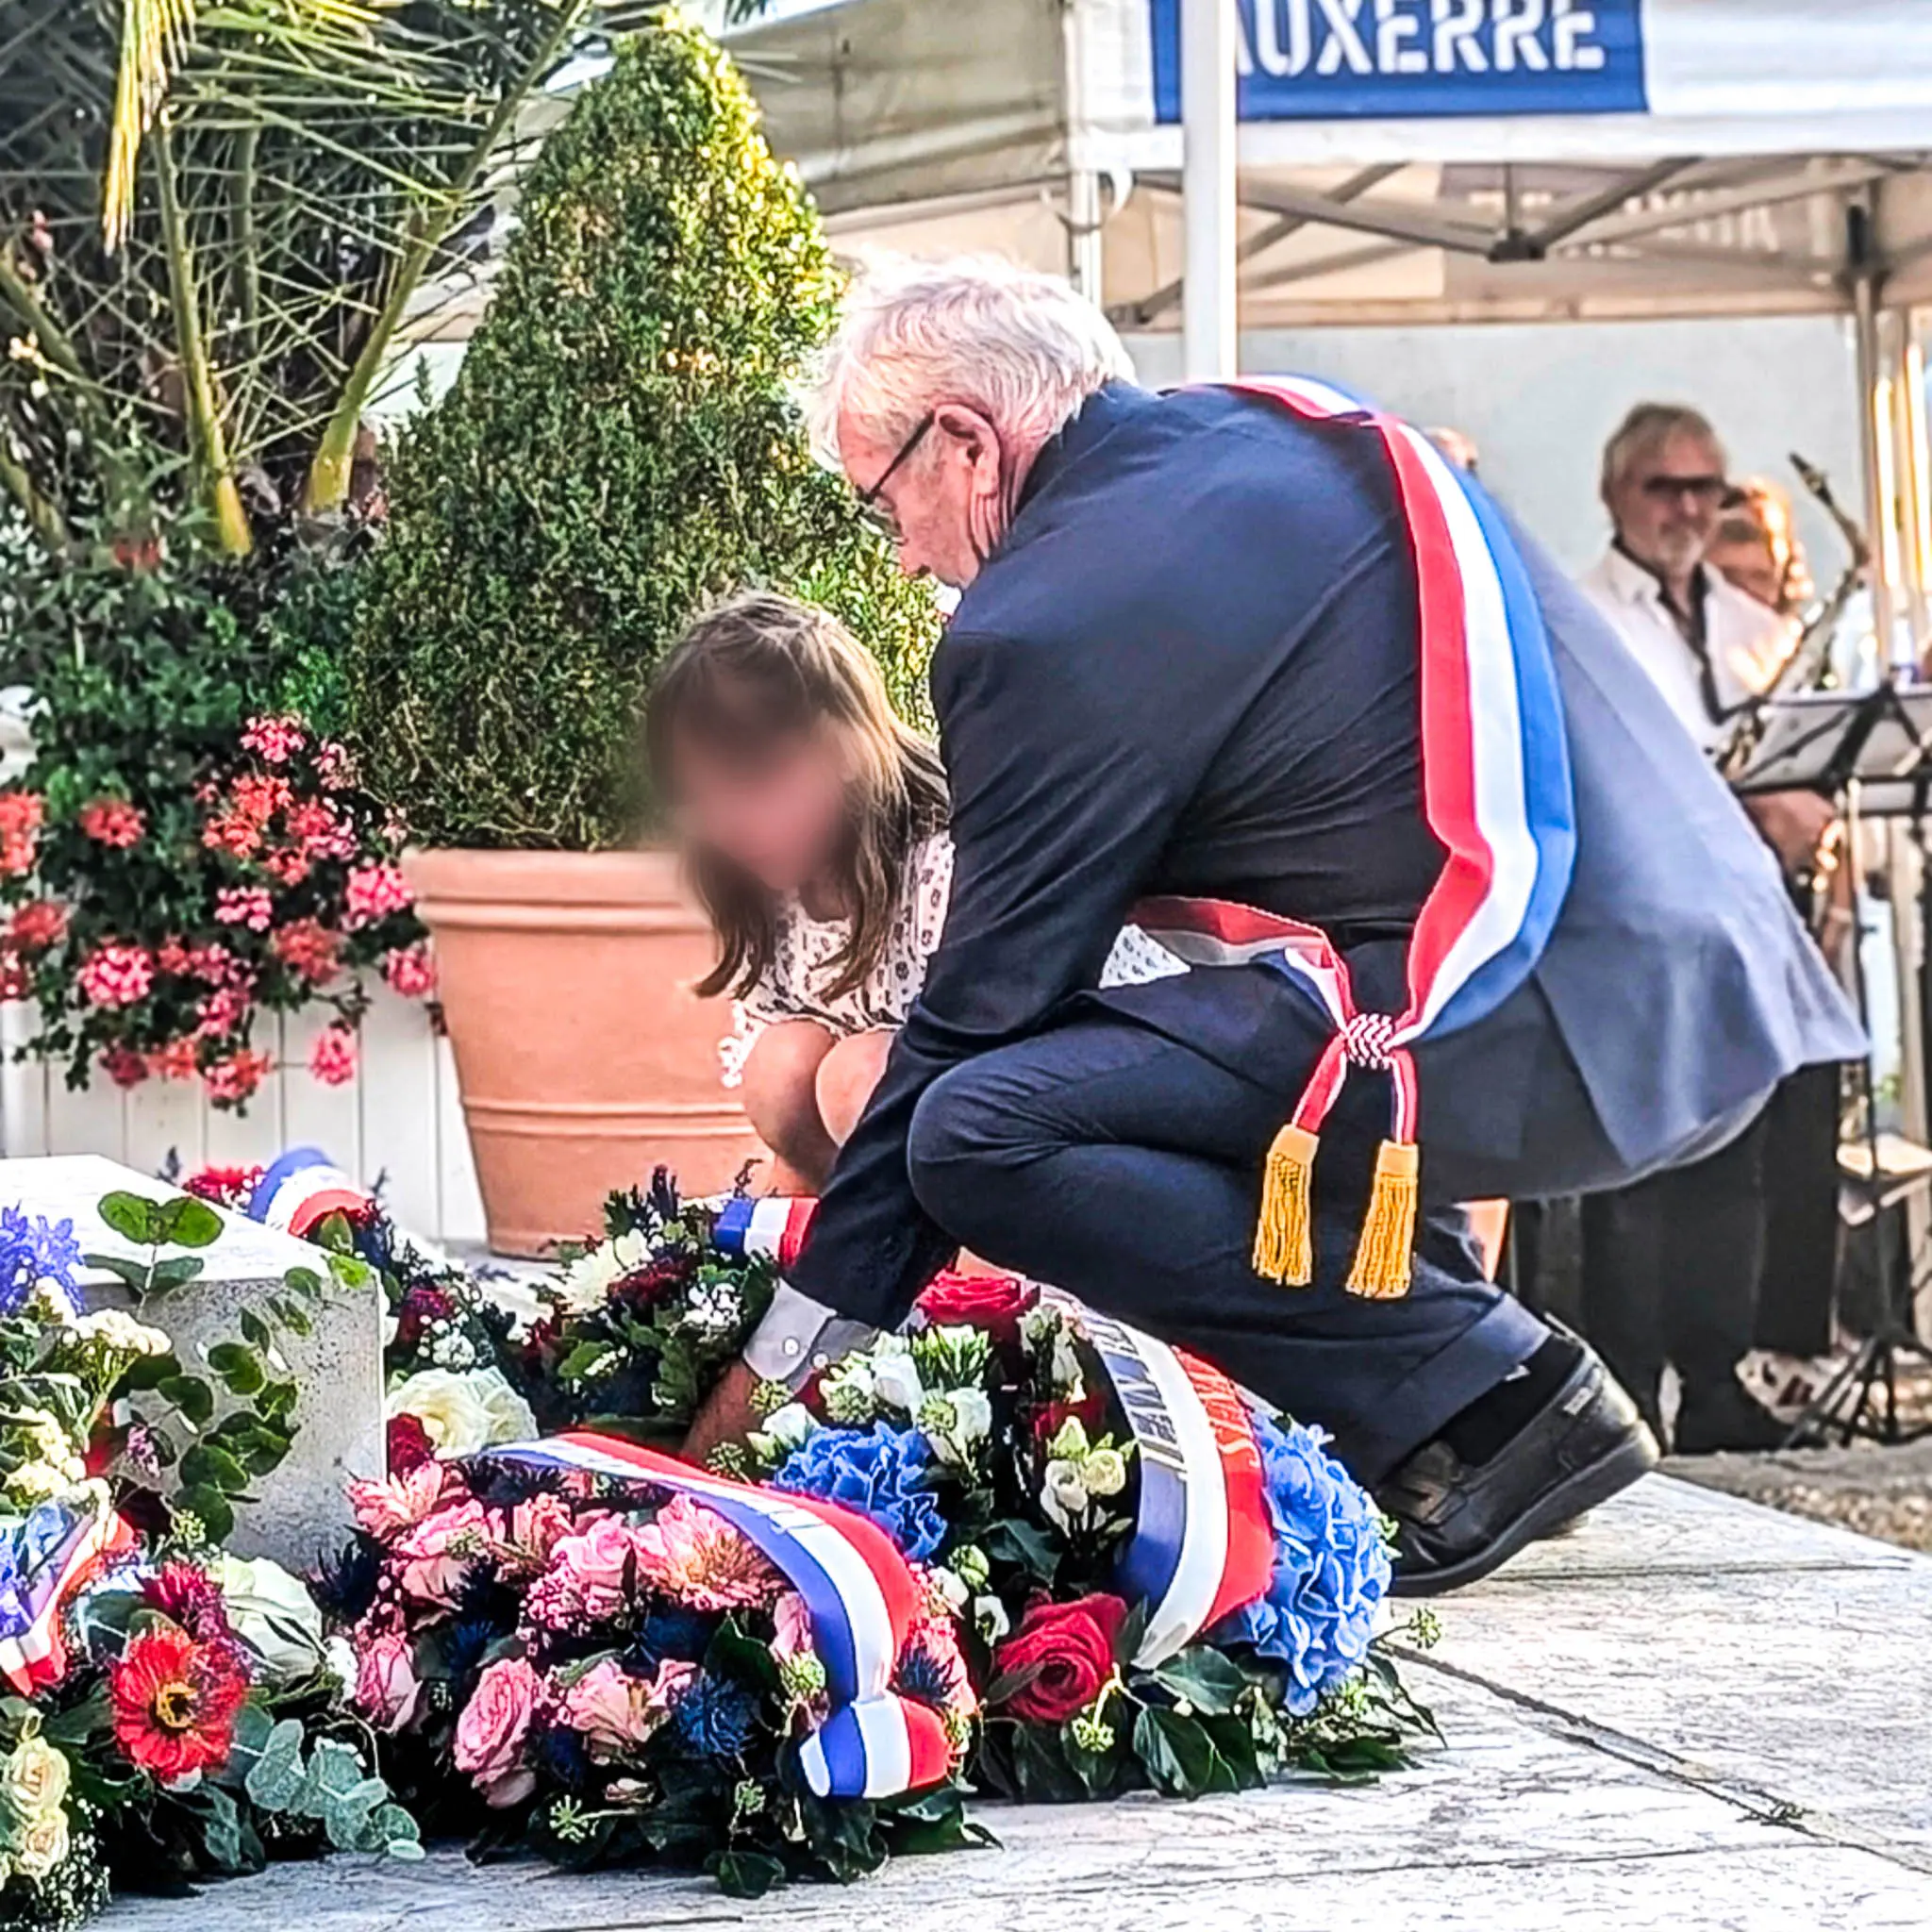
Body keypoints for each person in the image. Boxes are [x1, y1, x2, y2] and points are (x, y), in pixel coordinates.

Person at [681, 258, 1861, 1594]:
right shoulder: (1258, 427)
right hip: (1682, 972)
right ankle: (1430, 1410)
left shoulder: (1046, 613)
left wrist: (775, 1376)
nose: (896, 547)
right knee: (1184, 1044)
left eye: (879, 499)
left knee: (980, 1125)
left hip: (1515, 1008)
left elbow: (980, 1010)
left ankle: (1501, 1400)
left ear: (964, 442)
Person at [648, 590, 1181, 1192]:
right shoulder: (772, 890)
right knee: (780, 1065)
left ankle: (973, 1270)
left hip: (1094, 1099)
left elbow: (1018, 1065)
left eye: (754, 781)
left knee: (860, 1076)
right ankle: (818, 1239)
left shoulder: (949, 871)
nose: (730, 822)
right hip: (927, 1121)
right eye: (702, 797)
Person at [1574, 409, 1849, 1449]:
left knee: (1734, 1162)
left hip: (1744, 915)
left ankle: (1715, 1375)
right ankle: (1626, 1394)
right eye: (1663, 486)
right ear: (1616, 496)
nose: (1687, 507)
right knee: (1643, 1161)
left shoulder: (1748, 621)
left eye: (1705, 487)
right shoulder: (1593, 613)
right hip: (1645, 922)